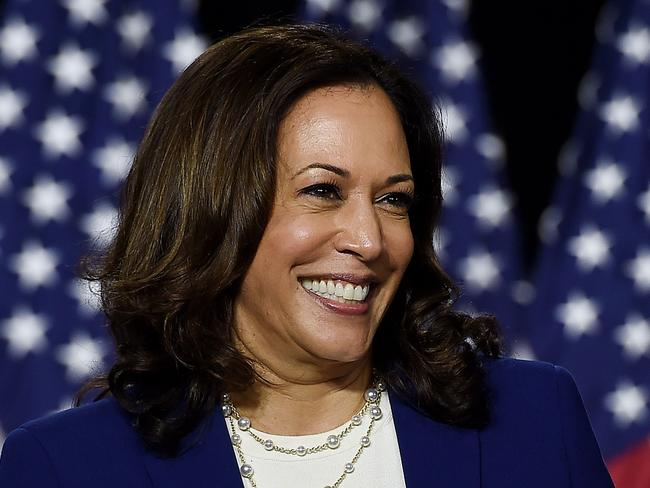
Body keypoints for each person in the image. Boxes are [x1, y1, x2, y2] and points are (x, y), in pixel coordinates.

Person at [0, 24, 613, 488]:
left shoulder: (534, 421)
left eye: (395, 200)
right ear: (214, 210)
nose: (370, 241)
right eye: (323, 191)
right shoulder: (66, 467)